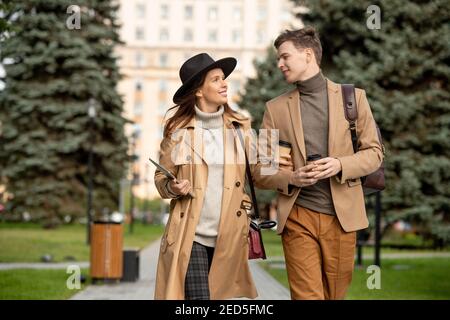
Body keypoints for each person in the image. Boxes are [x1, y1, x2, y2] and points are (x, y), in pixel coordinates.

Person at [253, 27, 383, 299]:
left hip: (342, 217)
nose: (280, 64)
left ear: (308, 54)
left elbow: (374, 153)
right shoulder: (274, 109)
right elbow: (261, 172)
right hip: (298, 216)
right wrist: (292, 178)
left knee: (334, 295)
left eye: (285, 56)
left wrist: (339, 164)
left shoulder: (353, 98)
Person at [153, 53, 257, 300]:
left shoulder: (240, 125)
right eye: (216, 79)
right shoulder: (178, 130)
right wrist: (173, 187)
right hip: (191, 235)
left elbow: (263, 172)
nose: (224, 84)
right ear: (199, 91)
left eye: (224, 78)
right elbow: (160, 178)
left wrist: (293, 175)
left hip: (230, 236)